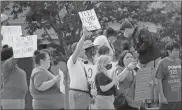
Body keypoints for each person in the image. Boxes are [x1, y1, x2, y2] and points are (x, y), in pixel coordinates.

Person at [121, 19, 161, 106]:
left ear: (127, 29)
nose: (123, 33)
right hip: (143, 61)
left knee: (153, 81)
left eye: (123, 31)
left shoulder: (141, 30)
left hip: (152, 59)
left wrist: (137, 51)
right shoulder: (132, 37)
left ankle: (156, 102)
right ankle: (146, 102)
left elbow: (147, 42)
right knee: (143, 81)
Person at [67, 26, 91, 109]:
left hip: (85, 93)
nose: (85, 50)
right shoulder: (72, 60)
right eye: (83, 49)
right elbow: (78, 49)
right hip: (78, 92)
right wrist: (83, 36)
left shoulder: (82, 62)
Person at [1, 45, 28, 109]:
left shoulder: (13, 67)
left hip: (18, 99)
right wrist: (22, 45)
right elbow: (15, 57)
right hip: (11, 99)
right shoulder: (6, 65)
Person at [155, 41, 181, 110]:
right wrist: (162, 97)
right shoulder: (162, 63)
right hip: (167, 100)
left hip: (179, 99)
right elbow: (158, 80)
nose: (178, 52)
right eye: (176, 50)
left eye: (179, 50)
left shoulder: (179, 62)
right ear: (169, 51)